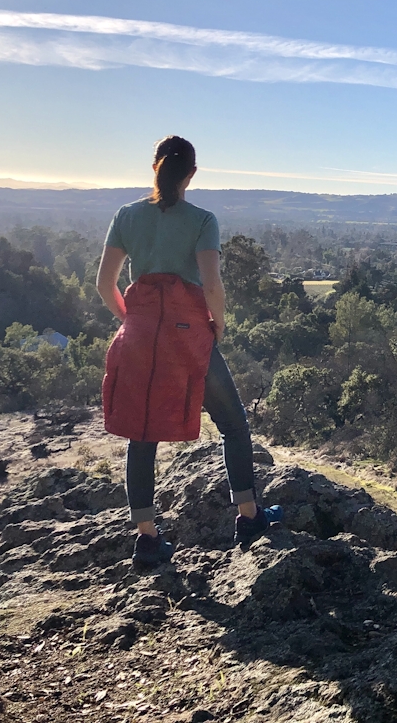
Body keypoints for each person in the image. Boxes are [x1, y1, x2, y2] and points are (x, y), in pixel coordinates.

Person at [96, 135, 282, 566]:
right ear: (192, 174)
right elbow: (212, 284)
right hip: (188, 335)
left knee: (141, 434)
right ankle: (249, 518)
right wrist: (216, 324)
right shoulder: (202, 220)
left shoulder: (126, 216)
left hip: (140, 335)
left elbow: (104, 284)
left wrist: (131, 320)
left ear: (154, 167)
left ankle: (146, 538)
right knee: (233, 423)